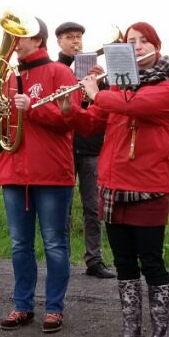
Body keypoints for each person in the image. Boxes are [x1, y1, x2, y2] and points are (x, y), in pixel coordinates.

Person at [72, 22, 169, 337]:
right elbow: (92, 123)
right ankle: (132, 336)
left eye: (142, 41)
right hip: (113, 183)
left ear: (156, 46)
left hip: (148, 185)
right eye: (129, 42)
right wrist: (70, 104)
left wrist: (98, 91)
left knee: (151, 262)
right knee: (123, 264)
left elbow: (134, 106)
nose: (135, 46)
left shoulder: (168, 87)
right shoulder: (116, 88)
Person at [0, 18, 79, 333]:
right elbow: (6, 127)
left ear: (37, 41)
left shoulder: (59, 72)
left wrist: (33, 107)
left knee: (54, 243)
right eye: (9, 36)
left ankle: (54, 308)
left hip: (51, 172)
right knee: (19, 244)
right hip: (14, 172)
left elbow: (70, 119)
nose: (12, 42)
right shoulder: (9, 76)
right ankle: (22, 306)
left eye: (18, 36)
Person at [54, 21, 115, 279]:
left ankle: (94, 260)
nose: (76, 42)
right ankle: (61, 259)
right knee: (62, 207)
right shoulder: (54, 69)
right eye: (70, 38)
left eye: (79, 37)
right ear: (59, 42)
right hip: (64, 146)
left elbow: (106, 104)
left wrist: (100, 82)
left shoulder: (93, 69)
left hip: (91, 146)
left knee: (92, 206)